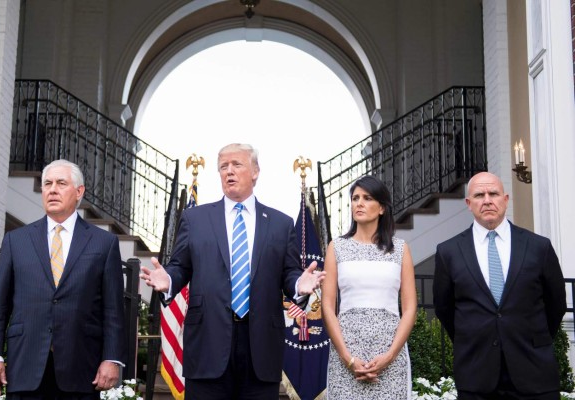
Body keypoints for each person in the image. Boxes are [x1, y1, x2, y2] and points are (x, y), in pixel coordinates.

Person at [140, 143, 325, 400]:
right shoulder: (195, 219)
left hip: (260, 347)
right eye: (223, 167)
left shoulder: (281, 224)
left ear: (255, 172)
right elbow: (180, 266)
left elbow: (289, 274)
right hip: (207, 343)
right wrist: (168, 279)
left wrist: (298, 285)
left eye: (236, 165)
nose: (229, 171)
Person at [0, 159, 126, 399]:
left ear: (79, 192)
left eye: (61, 183)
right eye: (47, 183)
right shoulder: (16, 241)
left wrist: (112, 358)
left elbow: (113, 310)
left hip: (81, 369)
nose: (52, 189)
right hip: (25, 367)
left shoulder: (104, 243)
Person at [433, 171, 566, 400]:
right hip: (477, 376)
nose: (487, 200)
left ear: (505, 199)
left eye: (493, 193)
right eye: (479, 195)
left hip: (534, 373)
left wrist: (528, 336)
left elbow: (557, 304)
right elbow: (444, 309)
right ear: (469, 203)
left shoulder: (538, 247)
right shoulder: (449, 252)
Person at [321, 175, 417, 399]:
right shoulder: (337, 247)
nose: (359, 203)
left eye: (367, 198)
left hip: (389, 351)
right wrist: (348, 358)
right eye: (355, 198)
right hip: (347, 350)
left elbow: (410, 308)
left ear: (382, 208)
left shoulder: (400, 249)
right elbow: (327, 306)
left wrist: (390, 355)